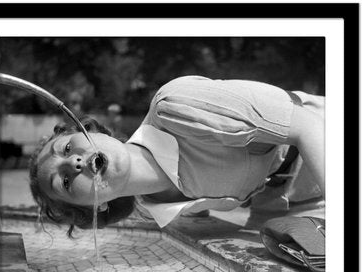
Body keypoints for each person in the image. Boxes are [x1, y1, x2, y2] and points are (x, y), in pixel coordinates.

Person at [29, 75, 324, 236]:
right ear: (98, 206)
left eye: (67, 148)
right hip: (288, 196)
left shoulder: (175, 106)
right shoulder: (155, 205)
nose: (73, 162)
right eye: (65, 182)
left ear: (95, 132)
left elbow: (306, 125)